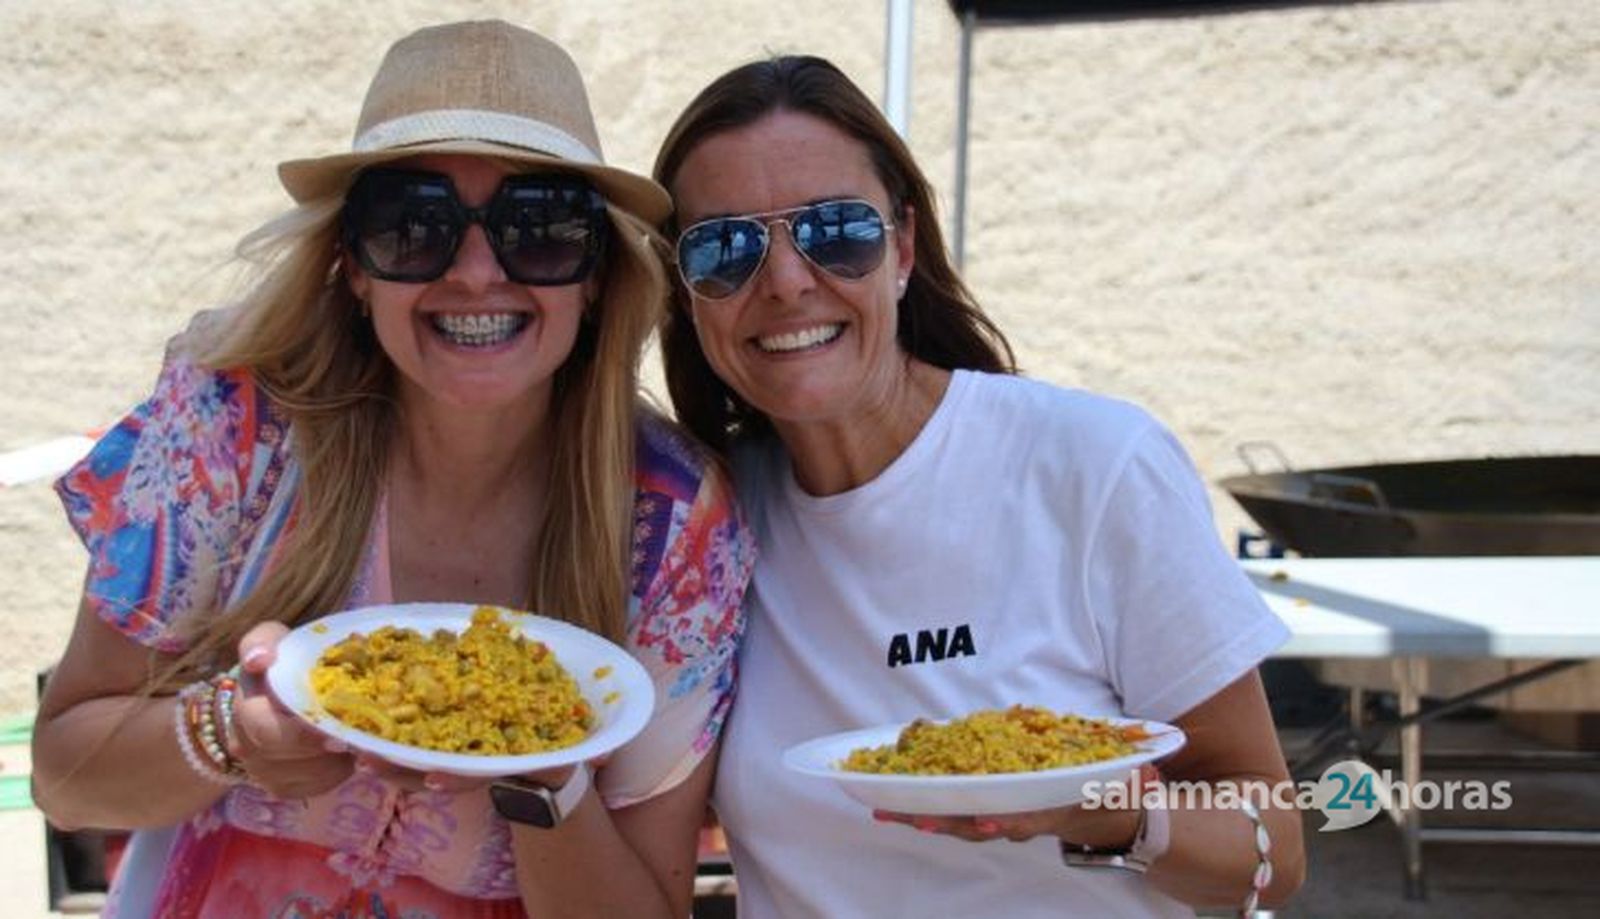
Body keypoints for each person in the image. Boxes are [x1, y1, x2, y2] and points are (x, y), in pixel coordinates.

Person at [32, 21, 752, 919]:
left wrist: (546, 770)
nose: (478, 273)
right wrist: (228, 731)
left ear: (597, 274)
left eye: (541, 228)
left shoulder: (676, 526)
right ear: (352, 265)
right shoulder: (232, 431)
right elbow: (65, 777)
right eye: (415, 226)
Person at [653, 56, 1306, 918]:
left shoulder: (1093, 464)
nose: (783, 281)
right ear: (686, 293)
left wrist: (1098, 814)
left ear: (904, 248)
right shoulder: (702, 527)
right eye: (724, 246)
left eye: (836, 230)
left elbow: (1274, 853)